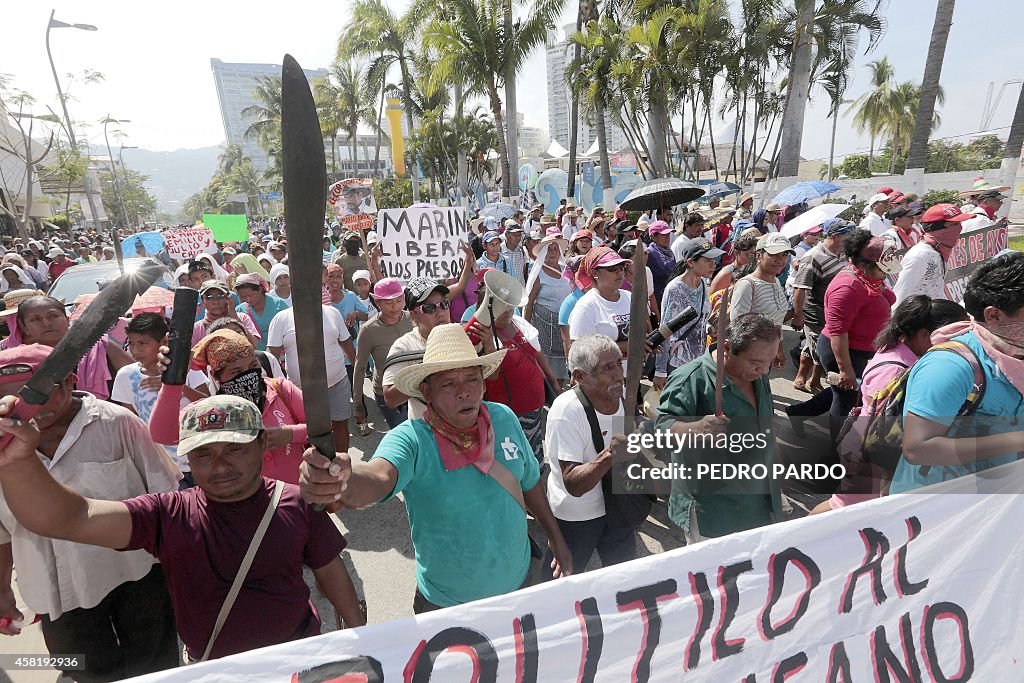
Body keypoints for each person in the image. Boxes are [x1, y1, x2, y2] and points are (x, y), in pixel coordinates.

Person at [0, 393, 364, 664]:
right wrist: (19, 463)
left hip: (298, 660)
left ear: (262, 443)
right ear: (187, 458)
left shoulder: (297, 502)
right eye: (203, 454)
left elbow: (330, 572)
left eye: (233, 449)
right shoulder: (166, 514)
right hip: (212, 670)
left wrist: (360, 639)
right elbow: (70, 518)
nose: (219, 466)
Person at [298, 324, 573, 613]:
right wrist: (343, 478)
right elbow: (378, 477)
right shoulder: (413, 440)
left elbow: (530, 482)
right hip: (447, 606)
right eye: (448, 384)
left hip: (520, 585)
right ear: (426, 392)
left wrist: (556, 538)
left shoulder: (503, 417)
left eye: (471, 379)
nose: (464, 392)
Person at [0, 344, 180, 681]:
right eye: (10, 398)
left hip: (138, 577)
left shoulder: (117, 423)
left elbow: (166, 500)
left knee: (156, 668)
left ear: (69, 381)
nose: (27, 408)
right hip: (56, 595)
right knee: (82, 670)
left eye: (38, 393)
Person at [815, 296, 969, 511]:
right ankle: (794, 538)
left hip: (866, 445)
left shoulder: (900, 349)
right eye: (953, 336)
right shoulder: (896, 369)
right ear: (925, 334)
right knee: (841, 507)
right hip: (868, 453)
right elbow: (884, 426)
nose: (959, 343)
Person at [893, 252, 1024, 493]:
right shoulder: (949, 366)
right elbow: (918, 448)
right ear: (994, 315)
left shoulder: (1015, 350)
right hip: (941, 507)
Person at [656, 314, 783, 542]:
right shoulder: (691, 379)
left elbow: (765, 425)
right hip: (713, 510)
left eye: (769, 362)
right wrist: (698, 428)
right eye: (756, 363)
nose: (764, 370)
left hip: (759, 500)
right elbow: (663, 430)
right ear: (727, 347)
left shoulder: (758, 376)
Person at [151, 330, 309, 484]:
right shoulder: (210, 411)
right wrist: (173, 381)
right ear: (216, 376)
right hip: (246, 506)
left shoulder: (280, 390)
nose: (248, 374)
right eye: (236, 371)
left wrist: (290, 434)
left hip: (298, 499)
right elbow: (163, 435)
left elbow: (321, 426)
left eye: (253, 365)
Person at [544, 334, 639, 576]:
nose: (619, 374)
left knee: (625, 578)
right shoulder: (567, 411)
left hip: (618, 507)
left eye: (620, 363)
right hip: (577, 515)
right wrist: (610, 454)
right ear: (579, 376)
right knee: (561, 582)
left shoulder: (622, 394)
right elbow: (574, 484)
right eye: (608, 368)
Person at [818, 230, 901, 448]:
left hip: (863, 349)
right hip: (846, 351)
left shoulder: (868, 279)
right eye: (882, 270)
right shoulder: (848, 287)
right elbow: (838, 331)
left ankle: (799, 411)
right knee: (844, 403)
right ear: (864, 265)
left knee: (846, 395)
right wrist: (845, 369)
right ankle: (836, 450)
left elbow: (887, 297)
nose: (885, 275)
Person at [112, 313, 210, 488]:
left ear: (164, 342)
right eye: (131, 344)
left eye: (143, 343)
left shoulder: (184, 369)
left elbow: (208, 403)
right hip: (159, 465)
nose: (136, 350)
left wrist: (176, 386)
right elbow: (130, 421)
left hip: (195, 457)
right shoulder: (125, 376)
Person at [469, 289, 560, 461]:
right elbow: (491, 378)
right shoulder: (479, 336)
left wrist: (552, 380)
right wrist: (488, 345)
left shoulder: (519, 324)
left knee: (533, 456)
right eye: (502, 308)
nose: (509, 311)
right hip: (510, 414)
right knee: (515, 461)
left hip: (534, 409)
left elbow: (537, 353)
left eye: (510, 306)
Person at [4, 295, 133, 400]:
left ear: (66, 318)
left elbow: (137, 377)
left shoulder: (100, 345)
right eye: (35, 319)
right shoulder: (19, 362)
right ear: (24, 327)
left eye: (53, 316)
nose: (46, 323)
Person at [266, 302, 354, 452]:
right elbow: (271, 356)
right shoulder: (281, 318)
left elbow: (346, 344)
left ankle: (341, 468)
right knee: (308, 431)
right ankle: (316, 470)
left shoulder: (332, 313)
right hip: (301, 391)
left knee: (340, 425)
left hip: (337, 383)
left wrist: (357, 375)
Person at [790, 218, 853, 393]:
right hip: (816, 310)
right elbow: (800, 288)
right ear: (835, 236)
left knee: (813, 345)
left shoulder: (844, 253)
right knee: (822, 347)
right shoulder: (813, 256)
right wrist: (798, 314)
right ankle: (814, 380)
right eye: (847, 234)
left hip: (833, 310)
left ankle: (804, 379)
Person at [381, 278, 453, 420]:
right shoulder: (403, 347)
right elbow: (390, 398)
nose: (440, 312)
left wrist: (487, 343)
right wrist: (425, 372)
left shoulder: (461, 335)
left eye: (444, 304)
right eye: (429, 308)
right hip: (426, 431)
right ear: (413, 315)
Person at [654, 240, 722, 389]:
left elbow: (701, 318)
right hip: (677, 363)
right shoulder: (675, 289)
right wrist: (660, 371)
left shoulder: (702, 284)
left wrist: (708, 328)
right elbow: (665, 330)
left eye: (714, 260)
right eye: (708, 260)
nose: (714, 264)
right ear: (691, 262)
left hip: (698, 361)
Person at [353, 278, 413, 431]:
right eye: (388, 303)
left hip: (415, 388)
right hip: (388, 393)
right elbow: (360, 368)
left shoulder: (413, 319)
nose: (395, 307)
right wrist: (358, 404)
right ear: (377, 302)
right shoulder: (368, 330)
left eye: (399, 301)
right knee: (403, 434)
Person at [729, 233, 793, 369]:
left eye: (785, 254)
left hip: (766, 356)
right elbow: (737, 328)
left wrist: (777, 348)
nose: (780, 260)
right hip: (749, 360)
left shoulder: (775, 281)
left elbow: (777, 322)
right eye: (774, 254)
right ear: (759, 256)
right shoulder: (747, 285)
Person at [892, 203, 973, 306]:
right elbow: (900, 296)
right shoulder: (920, 256)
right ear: (938, 228)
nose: (959, 228)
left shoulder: (938, 251)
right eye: (953, 225)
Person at [568, 248, 634, 367]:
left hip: (633, 375)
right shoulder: (586, 306)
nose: (619, 272)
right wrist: (627, 346)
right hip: (602, 381)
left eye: (621, 267)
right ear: (594, 273)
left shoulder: (630, 298)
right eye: (612, 268)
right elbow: (580, 353)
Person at [524, 233, 571, 384]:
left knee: (563, 360)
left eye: (555, 249)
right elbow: (529, 302)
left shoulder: (566, 271)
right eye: (549, 249)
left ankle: (558, 389)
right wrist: (526, 328)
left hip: (563, 324)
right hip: (543, 325)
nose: (553, 252)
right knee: (546, 363)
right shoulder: (539, 274)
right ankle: (548, 393)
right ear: (543, 252)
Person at [192, 280, 261, 347]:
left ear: (229, 298)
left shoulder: (242, 318)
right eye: (209, 297)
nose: (216, 302)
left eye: (220, 296)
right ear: (203, 301)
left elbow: (254, 344)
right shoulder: (198, 328)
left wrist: (234, 318)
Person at [235, 273, 289, 352]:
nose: (248, 299)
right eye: (243, 297)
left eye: (251, 295)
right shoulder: (239, 311)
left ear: (260, 289)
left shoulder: (279, 305)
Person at [646, 220, 676, 303]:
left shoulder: (669, 252)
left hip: (671, 297)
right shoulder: (649, 254)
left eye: (668, 234)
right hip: (658, 299)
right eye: (663, 235)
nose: (668, 237)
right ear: (653, 237)